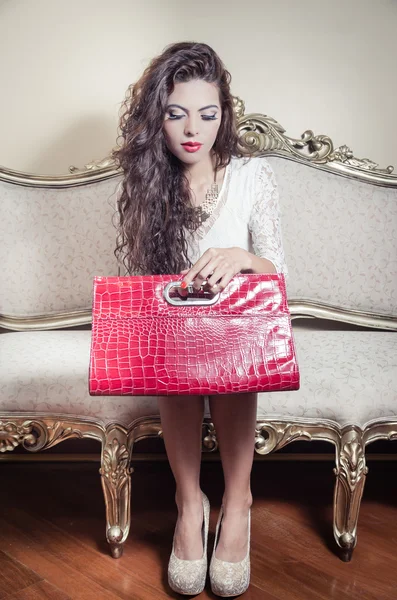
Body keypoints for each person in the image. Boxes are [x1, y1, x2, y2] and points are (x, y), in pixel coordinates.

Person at [112, 41, 288, 597]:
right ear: (157, 119)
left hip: (241, 334)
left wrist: (241, 260)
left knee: (228, 352)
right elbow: (150, 288)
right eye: (176, 114)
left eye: (208, 115)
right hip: (180, 336)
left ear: (224, 115)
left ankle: (238, 503)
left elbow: (279, 274)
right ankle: (190, 504)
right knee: (174, 354)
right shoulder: (150, 182)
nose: (193, 129)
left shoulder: (252, 176)